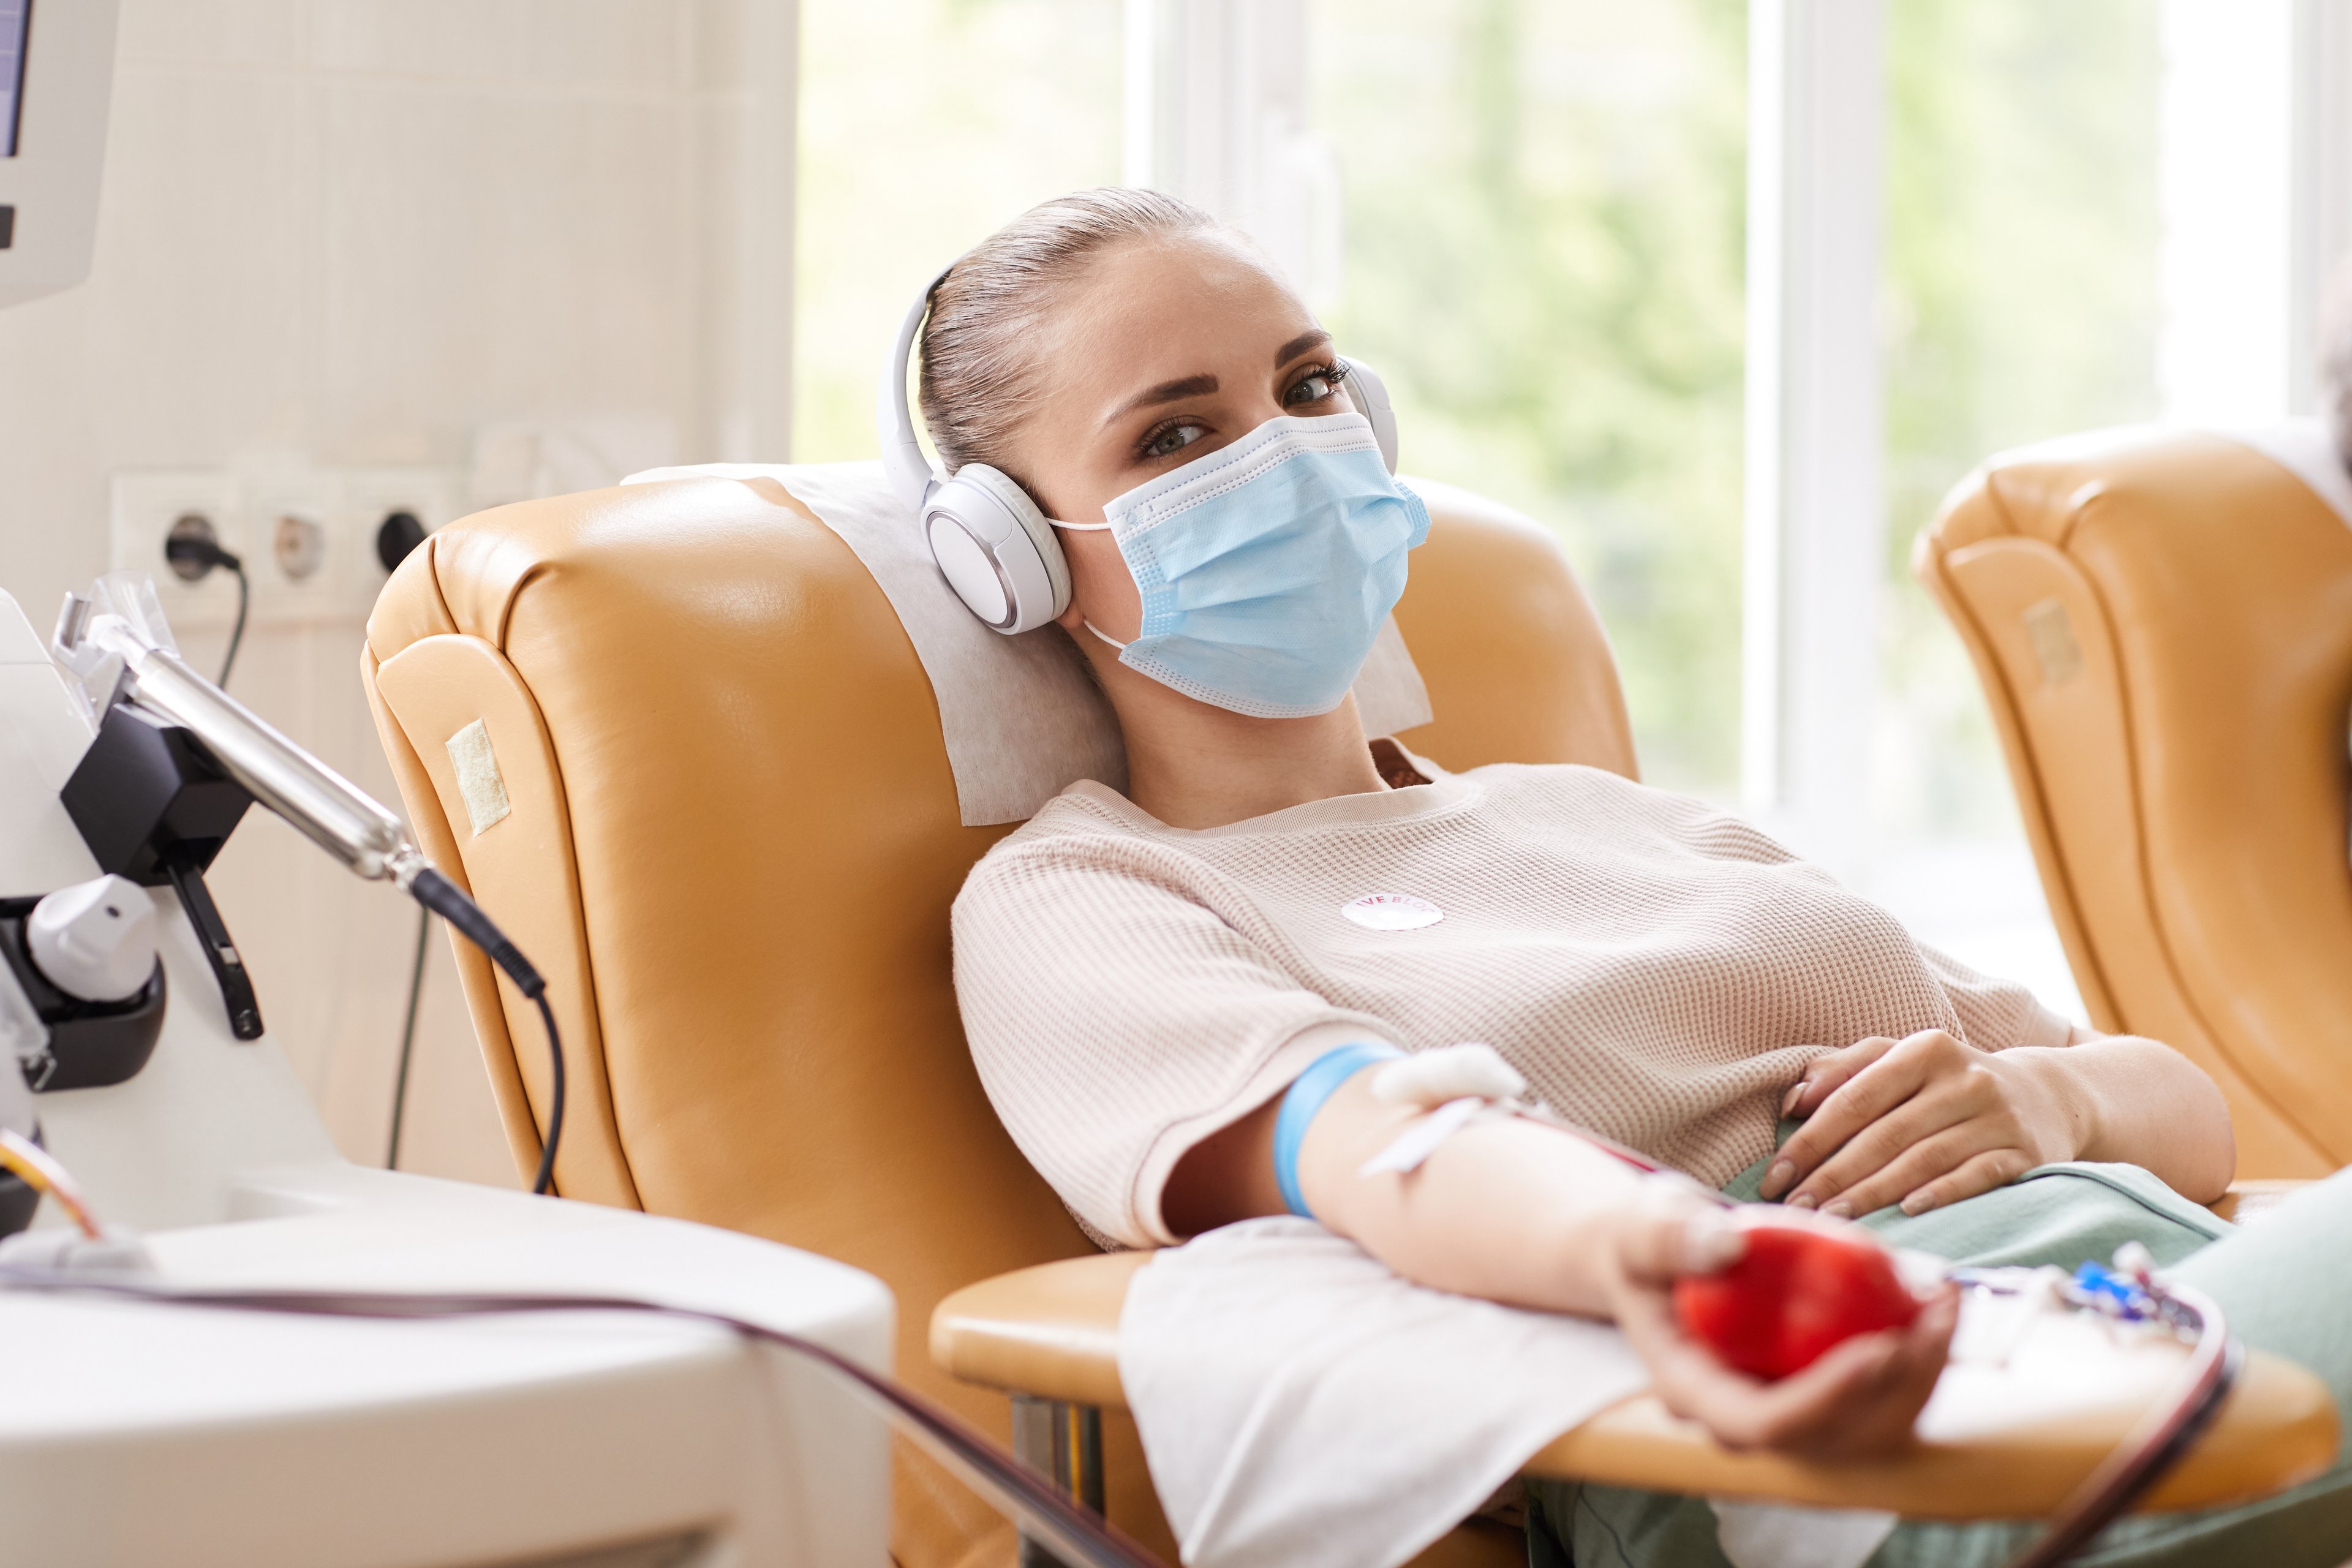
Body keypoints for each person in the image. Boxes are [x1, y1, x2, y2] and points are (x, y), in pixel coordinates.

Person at [936, 187, 2352, 1566]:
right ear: (1013, 557)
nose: (1287, 454)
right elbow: (1381, 1149)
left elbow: (2186, 1111)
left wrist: (2051, 1095)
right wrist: (1685, 1260)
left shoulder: (1605, 816)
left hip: (2134, 1292)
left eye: (1309, 386)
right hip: (1824, 1425)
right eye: (1177, 433)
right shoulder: (1084, 894)